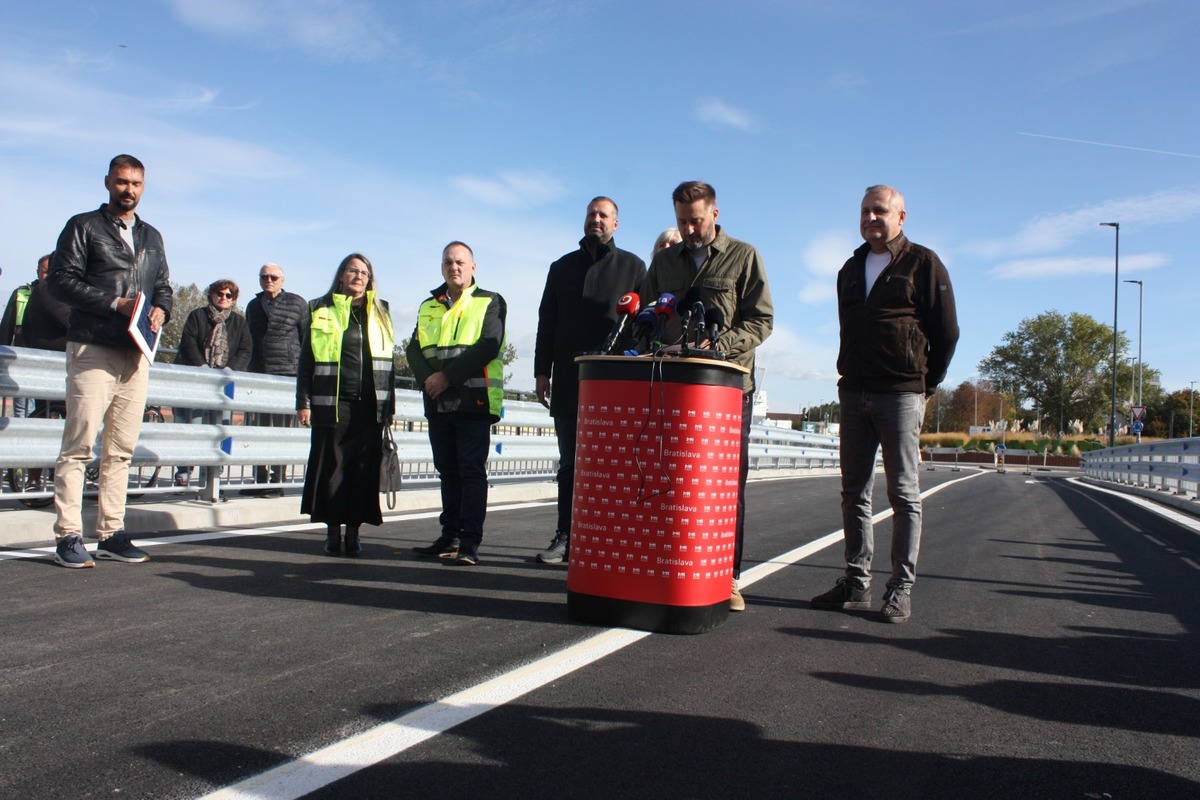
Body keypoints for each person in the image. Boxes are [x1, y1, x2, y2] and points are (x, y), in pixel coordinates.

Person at [811, 185, 959, 624]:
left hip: (901, 393)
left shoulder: (923, 263)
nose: (871, 218)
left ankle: (900, 588)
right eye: (865, 211)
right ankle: (856, 584)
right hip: (854, 391)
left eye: (880, 210)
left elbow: (947, 332)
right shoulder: (850, 269)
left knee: (903, 493)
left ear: (901, 216)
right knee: (854, 492)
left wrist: (925, 384)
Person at [639, 181, 774, 611]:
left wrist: (719, 345)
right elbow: (646, 314)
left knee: (724, 488)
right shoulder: (664, 262)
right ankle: (664, 569)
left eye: (696, 220)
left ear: (715, 213)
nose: (689, 229)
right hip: (670, 388)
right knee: (665, 480)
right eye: (682, 221)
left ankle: (727, 577)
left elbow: (761, 320)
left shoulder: (744, 256)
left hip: (726, 393)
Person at [44, 154, 173, 568]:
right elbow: (60, 281)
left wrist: (162, 310)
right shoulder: (83, 226)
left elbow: (163, 286)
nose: (128, 190)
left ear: (143, 187)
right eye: (121, 182)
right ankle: (68, 535)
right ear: (107, 182)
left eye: (135, 183)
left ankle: (111, 533)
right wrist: (114, 303)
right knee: (79, 446)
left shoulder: (151, 235)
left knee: (120, 450)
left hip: (135, 352)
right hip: (93, 346)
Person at [532, 197, 646, 564]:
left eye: (603, 215)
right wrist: (541, 371)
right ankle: (565, 537)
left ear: (616, 224)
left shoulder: (634, 267)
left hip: (613, 385)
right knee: (569, 465)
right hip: (568, 380)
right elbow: (547, 322)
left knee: (610, 467)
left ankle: (605, 538)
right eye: (591, 213)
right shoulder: (561, 267)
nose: (596, 219)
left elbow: (641, 329)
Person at [407, 242, 506, 566]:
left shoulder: (490, 301)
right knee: (447, 471)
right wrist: (429, 379)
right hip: (438, 401)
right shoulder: (428, 305)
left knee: (471, 471)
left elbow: (488, 345)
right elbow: (413, 349)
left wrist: (446, 377)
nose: (454, 267)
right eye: (448, 262)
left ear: (473, 267)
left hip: (472, 400)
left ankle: (469, 542)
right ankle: (449, 535)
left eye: (460, 262)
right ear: (442, 267)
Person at [296, 254, 396, 557]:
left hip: (369, 407)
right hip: (332, 404)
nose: (359, 276)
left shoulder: (381, 311)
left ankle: (353, 532)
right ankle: (332, 532)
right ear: (341, 275)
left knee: (361, 473)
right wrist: (303, 402)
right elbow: (306, 360)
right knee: (332, 470)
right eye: (353, 270)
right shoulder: (319, 308)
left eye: (365, 272)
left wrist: (389, 407)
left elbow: (389, 365)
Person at [171, 279, 252, 487]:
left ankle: (214, 477)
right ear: (211, 295)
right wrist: (202, 367)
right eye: (220, 293)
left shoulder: (239, 322)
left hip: (223, 386)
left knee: (221, 430)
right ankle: (184, 472)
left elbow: (245, 350)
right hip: (196, 380)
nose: (223, 298)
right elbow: (188, 343)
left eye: (229, 295)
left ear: (233, 299)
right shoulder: (197, 316)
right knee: (192, 427)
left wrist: (230, 369)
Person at [244, 262, 308, 496]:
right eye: (264, 277)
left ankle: (277, 480)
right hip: (260, 373)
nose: (268, 280)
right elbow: (250, 338)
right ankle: (259, 479)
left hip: (287, 374)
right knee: (258, 430)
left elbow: (306, 338)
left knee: (281, 431)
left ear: (282, 280)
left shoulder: (297, 303)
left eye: (273, 277)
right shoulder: (253, 306)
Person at [1, 254, 51, 417]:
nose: (48, 276)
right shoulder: (21, 293)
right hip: (22, 360)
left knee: (50, 409)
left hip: (49, 362)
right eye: (45, 272)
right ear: (38, 272)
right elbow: (6, 328)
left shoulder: (63, 295)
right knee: (23, 409)